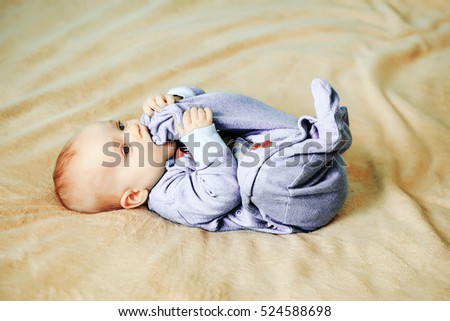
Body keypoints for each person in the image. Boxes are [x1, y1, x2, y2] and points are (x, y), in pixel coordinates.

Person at [53, 79, 352, 234]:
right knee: (256, 178)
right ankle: (321, 142)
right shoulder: (168, 197)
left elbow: (203, 97)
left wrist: (176, 103)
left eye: (120, 125)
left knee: (214, 113)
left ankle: (306, 134)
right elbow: (224, 191)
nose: (133, 129)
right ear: (133, 196)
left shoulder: (158, 138)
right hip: (297, 201)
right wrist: (201, 138)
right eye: (127, 149)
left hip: (276, 150)